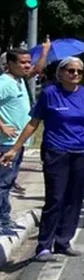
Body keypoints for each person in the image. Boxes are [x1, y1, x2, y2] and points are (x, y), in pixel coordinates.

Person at [1, 57, 84, 262]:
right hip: (57, 152)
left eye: (79, 72)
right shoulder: (49, 94)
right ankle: (44, 245)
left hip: (81, 152)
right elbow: (33, 123)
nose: (75, 74)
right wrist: (15, 148)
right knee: (55, 198)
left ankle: (63, 241)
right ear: (61, 73)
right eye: (71, 70)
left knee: (74, 199)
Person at [0, 49, 34, 236]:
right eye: (22, 62)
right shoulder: (4, 83)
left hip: (17, 143)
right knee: (2, 183)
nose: (27, 66)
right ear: (10, 64)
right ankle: (1, 221)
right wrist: (2, 126)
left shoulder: (19, 81)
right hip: (6, 143)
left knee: (8, 182)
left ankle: (4, 218)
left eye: (28, 62)